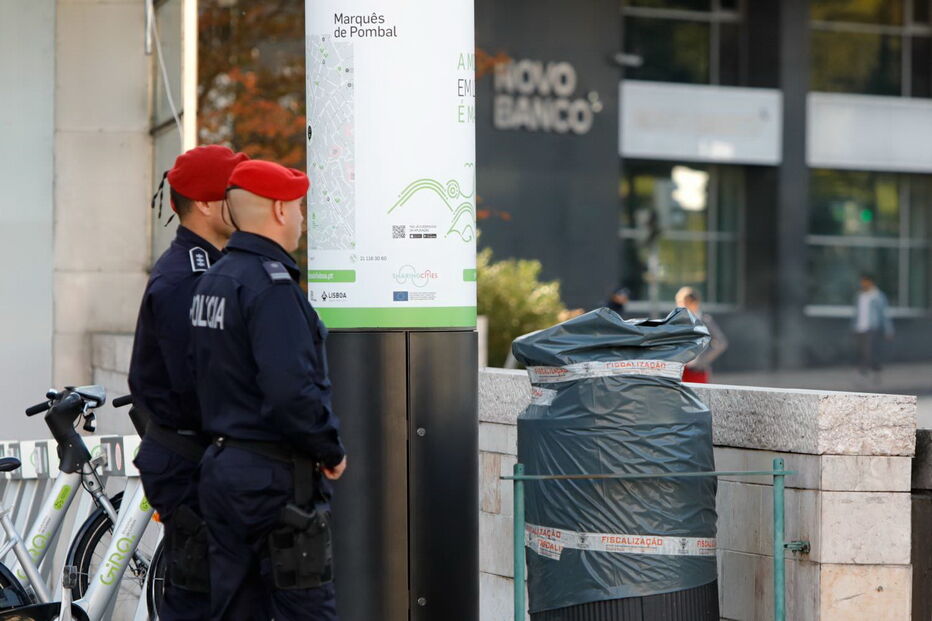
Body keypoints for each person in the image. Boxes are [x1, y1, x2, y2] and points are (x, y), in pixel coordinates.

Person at [190, 159, 346, 621]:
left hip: (222, 469)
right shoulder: (271, 287)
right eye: (299, 208)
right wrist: (329, 448)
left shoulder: (214, 280)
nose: (301, 219)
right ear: (279, 210)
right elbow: (290, 392)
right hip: (271, 482)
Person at [128, 145, 249, 619]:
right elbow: (196, 385)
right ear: (204, 203)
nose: (243, 203)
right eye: (233, 192)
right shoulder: (186, 279)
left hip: (198, 454)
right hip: (188, 460)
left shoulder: (211, 267)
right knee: (201, 601)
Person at [675, 287, 728, 383]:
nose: (681, 306)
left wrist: (703, 359)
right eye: (679, 303)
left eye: (685, 303)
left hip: (697, 371)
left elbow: (721, 342)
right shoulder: (676, 321)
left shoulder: (705, 320)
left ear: (695, 303)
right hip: (678, 371)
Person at [852, 273, 894, 381]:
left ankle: (869, 372)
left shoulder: (877, 296)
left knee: (869, 351)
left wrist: (888, 329)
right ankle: (870, 372)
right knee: (861, 351)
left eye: (864, 281)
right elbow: (856, 312)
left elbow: (884, 313)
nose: (862, 284)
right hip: (859, 327)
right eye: (861, 282)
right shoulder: (859, 295)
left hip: (872, 327)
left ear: (870, 282)